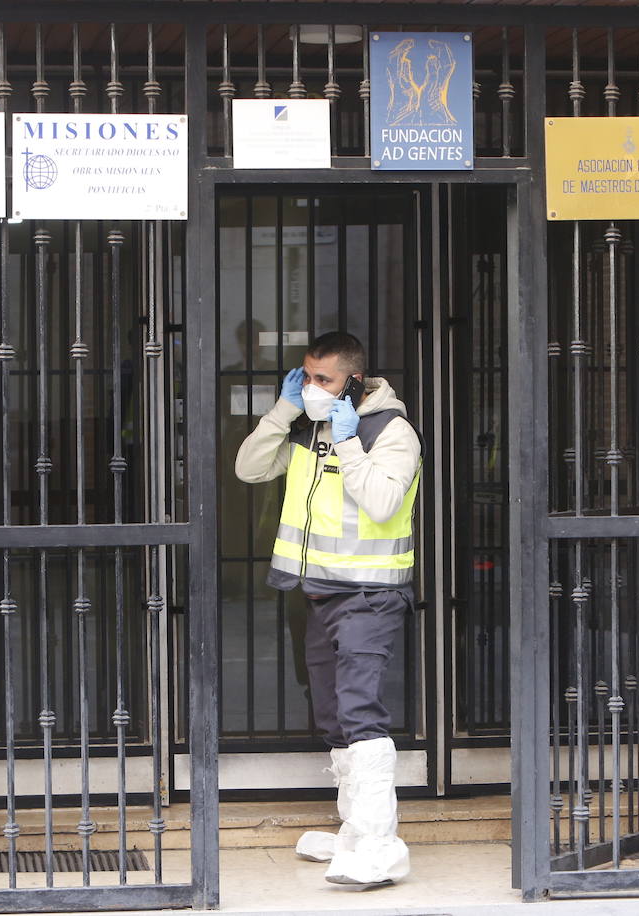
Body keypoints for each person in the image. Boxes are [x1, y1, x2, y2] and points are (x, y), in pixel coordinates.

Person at [234, 331, 420, 888]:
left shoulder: (392, 431)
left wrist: (348, 445)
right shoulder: (307, 425)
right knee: (333, 715)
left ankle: (382, 846)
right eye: (306, 377)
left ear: (355, 381)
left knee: (361, 710)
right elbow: (248, 467)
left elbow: (384, 502)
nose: (314, 388)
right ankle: (355, 833)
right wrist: (285, 408)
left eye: (324, 380)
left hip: (368, 593)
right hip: (317, 593)